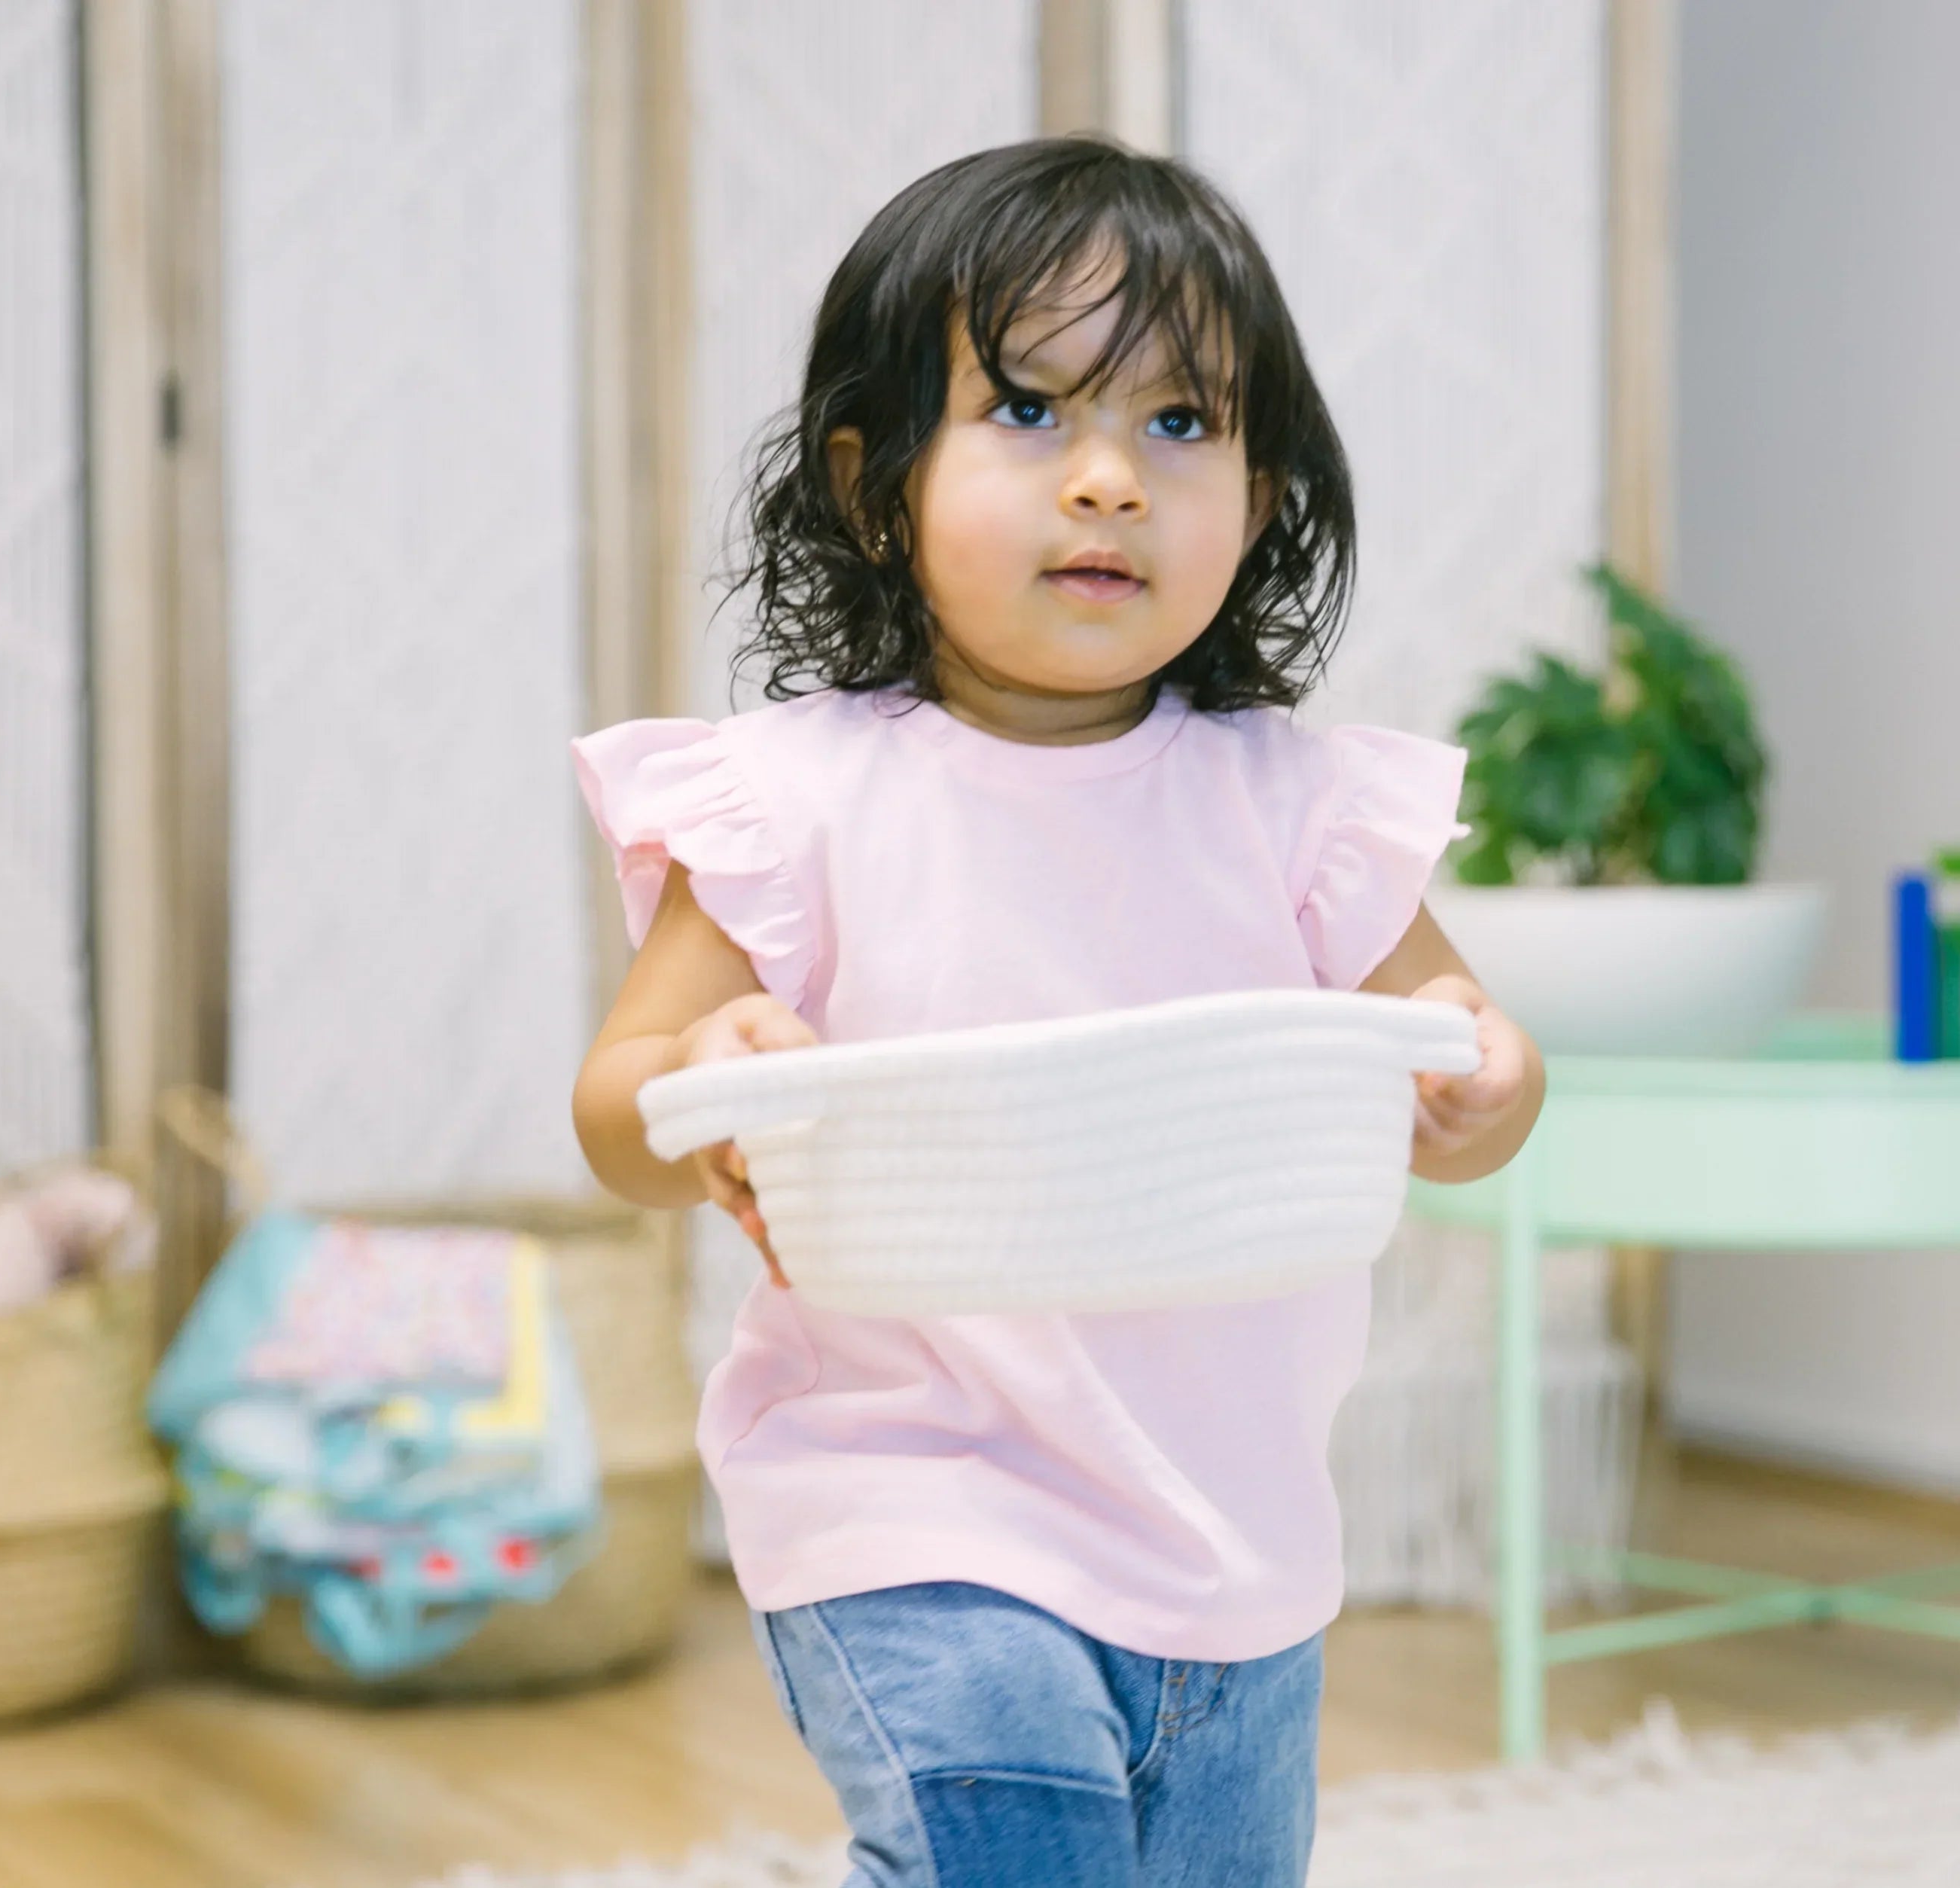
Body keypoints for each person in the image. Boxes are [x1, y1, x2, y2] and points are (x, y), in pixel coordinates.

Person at [570, 136, 1544, 1888]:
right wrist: (694, 1077)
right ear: (875, 484)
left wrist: (1493, 1080)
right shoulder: (790, 802)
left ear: (1262, 497)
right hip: (913, 1505)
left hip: (1235, 1538)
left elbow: (1457, 1052)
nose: (1109, 481)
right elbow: (619, 1101)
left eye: (1181, 425)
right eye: (1030, 412)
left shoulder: (1296, 811)